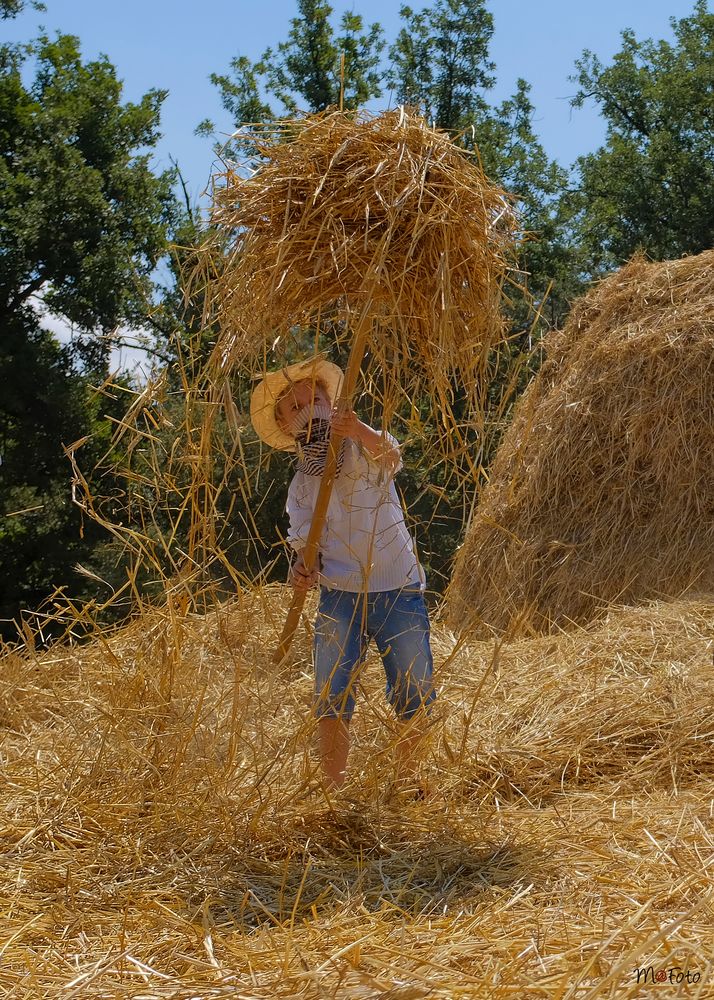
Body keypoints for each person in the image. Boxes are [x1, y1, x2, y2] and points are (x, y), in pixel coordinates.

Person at [250, 356, 437, 792]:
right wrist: (301, 570)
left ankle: (409, 784)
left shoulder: (363, 448)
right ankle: (334, 792)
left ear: (330, 403)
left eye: (314, 399)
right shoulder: (301, 485)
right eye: (295, 408)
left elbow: (392, 456)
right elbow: (305, 547)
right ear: (284, 426)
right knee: (332, 697)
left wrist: (354, 430)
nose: (308, 410)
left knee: (414, 690)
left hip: (397, 588)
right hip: (340, 596)